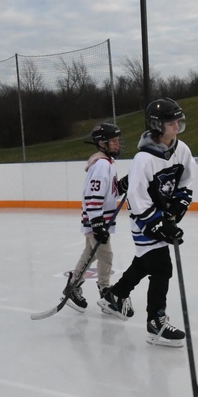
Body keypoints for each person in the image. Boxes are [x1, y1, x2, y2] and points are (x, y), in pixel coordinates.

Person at [99, 98, 195, 348]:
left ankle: (115, 296)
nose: (177, 126)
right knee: (162, 266)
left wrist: (175, 211)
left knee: (147, 261)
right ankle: (156, 323)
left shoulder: (182, 150)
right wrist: (159, 225)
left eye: (178, 121)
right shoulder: (144, 159)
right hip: (144, 219)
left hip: (163, 215)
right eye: (171, 122)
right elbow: (137, 199)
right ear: (157, 125)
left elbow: (185, 182)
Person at [65, 123, 128, 312]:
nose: (117, 144)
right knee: (105, 255)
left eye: (117, 140)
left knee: (89, 254)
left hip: (98, 220)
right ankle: (105, 291)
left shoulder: (107, 163)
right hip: (96, 220)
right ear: (102, 143)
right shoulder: (101, 165)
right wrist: (97, 223)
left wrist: (125, 183)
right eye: (113, 141)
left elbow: (110, 192)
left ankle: (73, 285)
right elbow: (93, 196)